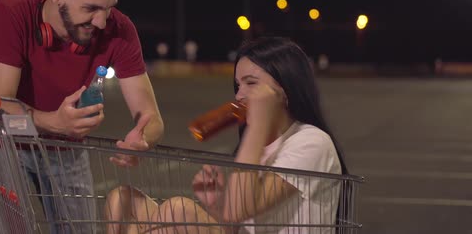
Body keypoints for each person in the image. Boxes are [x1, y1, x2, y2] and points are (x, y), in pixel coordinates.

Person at [0, 0, 164, 233]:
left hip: (66, 146)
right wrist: (54, 122)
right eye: (90, 9)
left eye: (108, 8)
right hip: (4, 142)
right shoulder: (14, 8)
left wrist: (143, 138)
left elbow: (150, 117)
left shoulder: (120, 30)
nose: (101, 22)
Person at [104, 36, 348, 234]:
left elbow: (240, 208)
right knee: (122, 199)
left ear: (285, 90)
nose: (240, 95)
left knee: (177, 210)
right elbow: (239, 221)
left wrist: (258, 126)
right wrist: (217, 203)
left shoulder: (311, 142)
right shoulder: (260, 147)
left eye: (251, 83)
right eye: (238, 85)